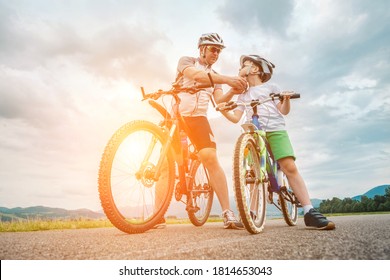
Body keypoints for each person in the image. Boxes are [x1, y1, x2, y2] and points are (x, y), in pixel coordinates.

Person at [218, 54, 335, 230]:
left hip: (275, 130)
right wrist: (222, 111)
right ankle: (252, 213)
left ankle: (309, 210)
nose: (241, 68)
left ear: (256, 68)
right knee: (254, 174)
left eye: (245, 65)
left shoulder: (271, 87)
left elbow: (283, 110)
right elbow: (236, 118)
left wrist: (286, 100)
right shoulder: (243, 95)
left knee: (289, 167)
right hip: (254, 133)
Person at [156, 33, 247, 229]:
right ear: (202, 49)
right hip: (177, 117)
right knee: (165, 164)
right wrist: (229, 79)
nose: (216, 53)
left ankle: (227, 213)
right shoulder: (187, 61)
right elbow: (194, 75)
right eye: (213, 49)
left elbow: (219, 100)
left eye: (219, 51)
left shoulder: (217, 79)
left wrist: (232, 91)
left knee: (210, 158)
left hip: (199, 119)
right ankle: (157, 216)